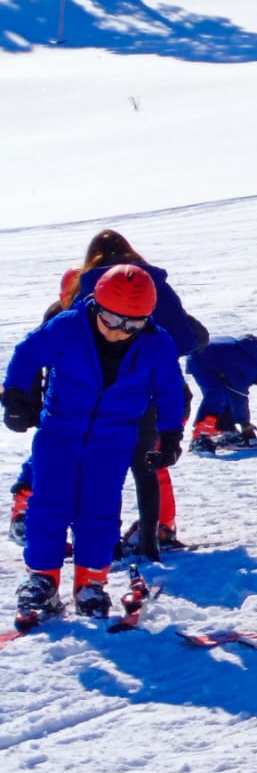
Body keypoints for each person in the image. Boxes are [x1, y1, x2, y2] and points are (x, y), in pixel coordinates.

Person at [4, 265, 186, 625]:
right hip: (59, 433)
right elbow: (27, 354)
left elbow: (169, 390)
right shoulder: (67, 327)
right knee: (48, 506)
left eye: (132, 325)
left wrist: (170, 435)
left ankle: (91, 582)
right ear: (96, 306)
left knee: (99, 512)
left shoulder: (156, 343)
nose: (121, 332)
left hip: (113, 440)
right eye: (113, 321)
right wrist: (15, 396)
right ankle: (42, 579)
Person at [69, 230, 207, 560]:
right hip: (155, 394)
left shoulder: (86, 289)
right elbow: (186, 339)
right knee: (147, 467)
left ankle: (110, 544)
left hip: (105, 398)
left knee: (108, 469)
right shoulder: (154, 283)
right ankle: (151, 544)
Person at [186, 336, 257, 447]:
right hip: (203, 360)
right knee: (218, 394)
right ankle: (200, 435)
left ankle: (225, 429)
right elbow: (238, 396)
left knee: (226, 393)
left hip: (212, 359)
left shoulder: (256, 362)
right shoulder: (250, 368)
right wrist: (245, 424)